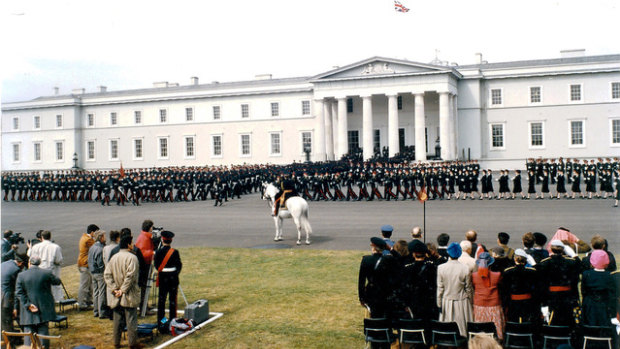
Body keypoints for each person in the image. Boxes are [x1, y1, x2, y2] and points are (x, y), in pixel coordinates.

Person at [104, 234, 142, 349]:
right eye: (132, 243)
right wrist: (122, 290)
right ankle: (132, 343)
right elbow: (130, 276)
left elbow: (107, 275)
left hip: (116, 295)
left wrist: (114, 289)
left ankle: (116, 342)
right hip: (128, 294)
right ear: (128, 245)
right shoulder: (132, 258)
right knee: (131, 321)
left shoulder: (114, 257)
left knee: (117, 321)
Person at [15, 256, 61, 349]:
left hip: (28, 310)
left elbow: (19, 292)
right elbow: (57, 281)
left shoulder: (21, 275)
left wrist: (28, 305)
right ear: (39, 263)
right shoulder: (46, 273)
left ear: (29, 263)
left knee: (28, 334)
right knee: (43, 333)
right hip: (43, 308)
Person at [536, 240, 582, 327]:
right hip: (567, 297)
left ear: (551, 249)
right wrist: (574, 255)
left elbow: (541, 283)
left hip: (551, 297)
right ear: (563, 250)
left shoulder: (545, 263)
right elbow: (581, 268)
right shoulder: (571, 262)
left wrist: (543, 301)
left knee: (553, 320)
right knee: (567, 319)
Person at [437, 242, 473, 337]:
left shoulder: (441, 268)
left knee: (447, 329)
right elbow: (468, 288)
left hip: (447, 301)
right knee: (462, 328)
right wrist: (471, 301)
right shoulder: (465, 268)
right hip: (462, 302)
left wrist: (439, 303)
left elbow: (440, 288)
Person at [358, 237, 396, 318]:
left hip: (371, 293)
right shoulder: (389, 259)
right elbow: (400, 259)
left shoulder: (366, 260)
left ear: (373, 247)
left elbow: (361, 280)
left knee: (374, 315)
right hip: (385, 292)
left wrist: (361, 298)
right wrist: (390, 248)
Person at [500, 249, 541, 324]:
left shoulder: (508, 272)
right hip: (527, 303)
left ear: (515, 259)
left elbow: (505, 290)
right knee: (526, 322)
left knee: (514, 321)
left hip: (513, 303)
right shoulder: (532, 271)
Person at [154, 231, 182, 332]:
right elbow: (179, 265)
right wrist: (175, 274)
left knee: (161, 302)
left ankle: (162, 322)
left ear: (162, 239)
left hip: (163, 279)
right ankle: (172, 321)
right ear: (171, 240)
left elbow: (157, 266)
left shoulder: (158, 252)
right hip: (173, 279)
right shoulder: (175, 252)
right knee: (172, 301)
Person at [471, 252, 504, 340]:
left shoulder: (474, 276)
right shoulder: (497, 275)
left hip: (479, 305)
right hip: (494, 305)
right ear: (490, 263)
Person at [580, 250, 615, 326]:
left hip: (589, 305)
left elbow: (583, 291)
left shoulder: (586, 274)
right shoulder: (610, 276)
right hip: (604, 305)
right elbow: (612, 293)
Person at [27, 230, 63, 301]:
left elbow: (32, 258)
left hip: (39, 270)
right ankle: (57, 300)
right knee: (55, 286)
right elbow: (59, 260)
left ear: (42, 237)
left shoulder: (35, 247)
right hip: (52, 269)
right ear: (50, 237)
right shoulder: (56, 247)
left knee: (41, 286)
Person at [1, 254, 26, 346]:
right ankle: (10, 344)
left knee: (4, 322)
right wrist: (15, 308)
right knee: (7, 322)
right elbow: (16, 290)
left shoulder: (6, 263)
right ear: (21, 264)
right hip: (5, 299)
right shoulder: (16, 270)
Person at [135, 220, 156, 308]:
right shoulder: (145, 238)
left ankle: (145, 304)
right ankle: (144, 306)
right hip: (144, 265)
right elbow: (143, 253)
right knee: (144, 286)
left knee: (145, 286)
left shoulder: (143, 236)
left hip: (144, 264)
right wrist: (153, 253)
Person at [78, 224, 98, 310]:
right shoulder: (89, 240)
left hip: (83, 263)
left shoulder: (84, 237)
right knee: (85, 285)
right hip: (85, 264)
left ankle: (88, 302)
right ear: (92, 232)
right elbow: (97, 246)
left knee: (89, 284)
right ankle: (82, 304)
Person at [88, 230, 107, 319]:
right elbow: (100, 264)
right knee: (101, 292)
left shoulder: (92, 247)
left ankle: (96, 311)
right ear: (101, 237)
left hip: (92, 272)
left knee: (95, 292)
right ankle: (102, 312)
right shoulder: (100, 249)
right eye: (104, 236)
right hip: (99, 272)